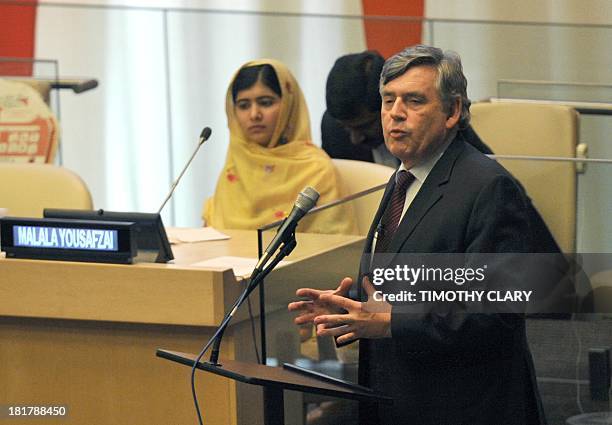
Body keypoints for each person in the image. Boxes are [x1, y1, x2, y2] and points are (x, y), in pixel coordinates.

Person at [289, 45, 556, 425]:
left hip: (463, 407)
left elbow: (496, 313)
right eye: (388, 100)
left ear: (452, 112)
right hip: (401, 398)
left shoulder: (489, 188)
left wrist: (390, 321)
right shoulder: (403, 178)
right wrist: (351, 306)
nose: (395, 113)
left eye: (414, 101)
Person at [203, 59, 357, 235]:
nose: (254, 114)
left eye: (266, 102)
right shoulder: (235, 167)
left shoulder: (317, 170)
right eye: (244, 105)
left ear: (289, 105)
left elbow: (336, 249)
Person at [322, 50, 493, 167]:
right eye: (347, 128)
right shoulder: (334, 131)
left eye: (364, 126)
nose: (355, 138)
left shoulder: (437, 125)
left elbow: (496, 188)